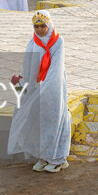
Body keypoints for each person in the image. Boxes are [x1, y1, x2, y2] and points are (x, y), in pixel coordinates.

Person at [8, 11, 72, 172]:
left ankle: (58, 158)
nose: (40, 30)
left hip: (54, 88)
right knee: (40, 122)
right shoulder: (33, 43)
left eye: (43, 26)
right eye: (36, 27)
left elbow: (56, 69)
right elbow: (29, 67)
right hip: (38, 87)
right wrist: (24, 84)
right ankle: (43, 156)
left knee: (55, 119)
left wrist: (47, 88)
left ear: (49, 26)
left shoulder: (58, 42)